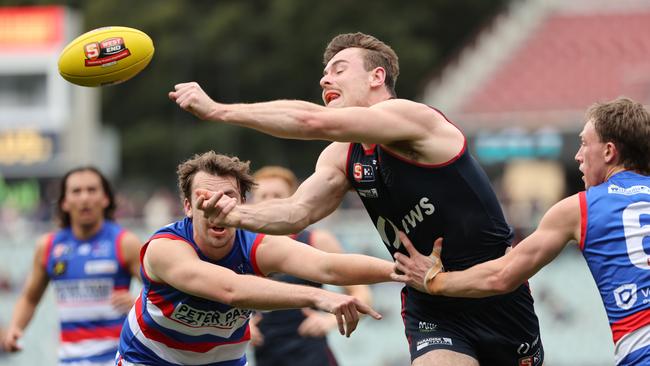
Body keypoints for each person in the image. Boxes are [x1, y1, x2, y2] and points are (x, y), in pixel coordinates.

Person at [169, 32, 544, 366]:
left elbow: (312, 122)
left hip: (496, 291)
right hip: (429, 298)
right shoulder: (343, 156)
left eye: (339, 68)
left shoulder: (413, 119)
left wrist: (219, 111)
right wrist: (232, 216)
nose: (324, 79)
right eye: (324, 73)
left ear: (376, 77)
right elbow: (296, 212)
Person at [392, 97, 650, 366]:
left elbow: (501, 276)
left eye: (585, 143)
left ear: (609, 152)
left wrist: (433, 281)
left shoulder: (580, 209)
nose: (577, 155)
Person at [116, 151, 395, 366]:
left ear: (242, 204)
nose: (217, 206)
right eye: (205, 198)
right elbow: (232, 290)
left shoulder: (259, 245)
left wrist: (403, 271)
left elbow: (329, 266)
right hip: (150, 358)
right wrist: (318, 297)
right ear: (188, 206)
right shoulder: (165, 247)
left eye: (227, 196)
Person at [2, 167, 142, 366]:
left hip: (117, 359)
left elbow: (158, 295)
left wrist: (138, 304)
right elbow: (29, 298)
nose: (84, 198)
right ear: (64, 202)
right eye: (76, 191)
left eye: (92, 190)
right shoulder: (49, 247)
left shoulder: (124, 243)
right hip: (69, 360)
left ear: (106, 199)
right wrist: (15, 327)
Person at [249, 166, 372, 366]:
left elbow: (361, 294)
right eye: (263, 195)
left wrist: (328, 322)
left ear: (292, 200)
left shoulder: (317, 241)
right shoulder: (240, 246)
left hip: (311, 355)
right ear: (252, 202)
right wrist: (239, 328)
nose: (270, 201)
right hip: (265, 356)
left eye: (278, 195)